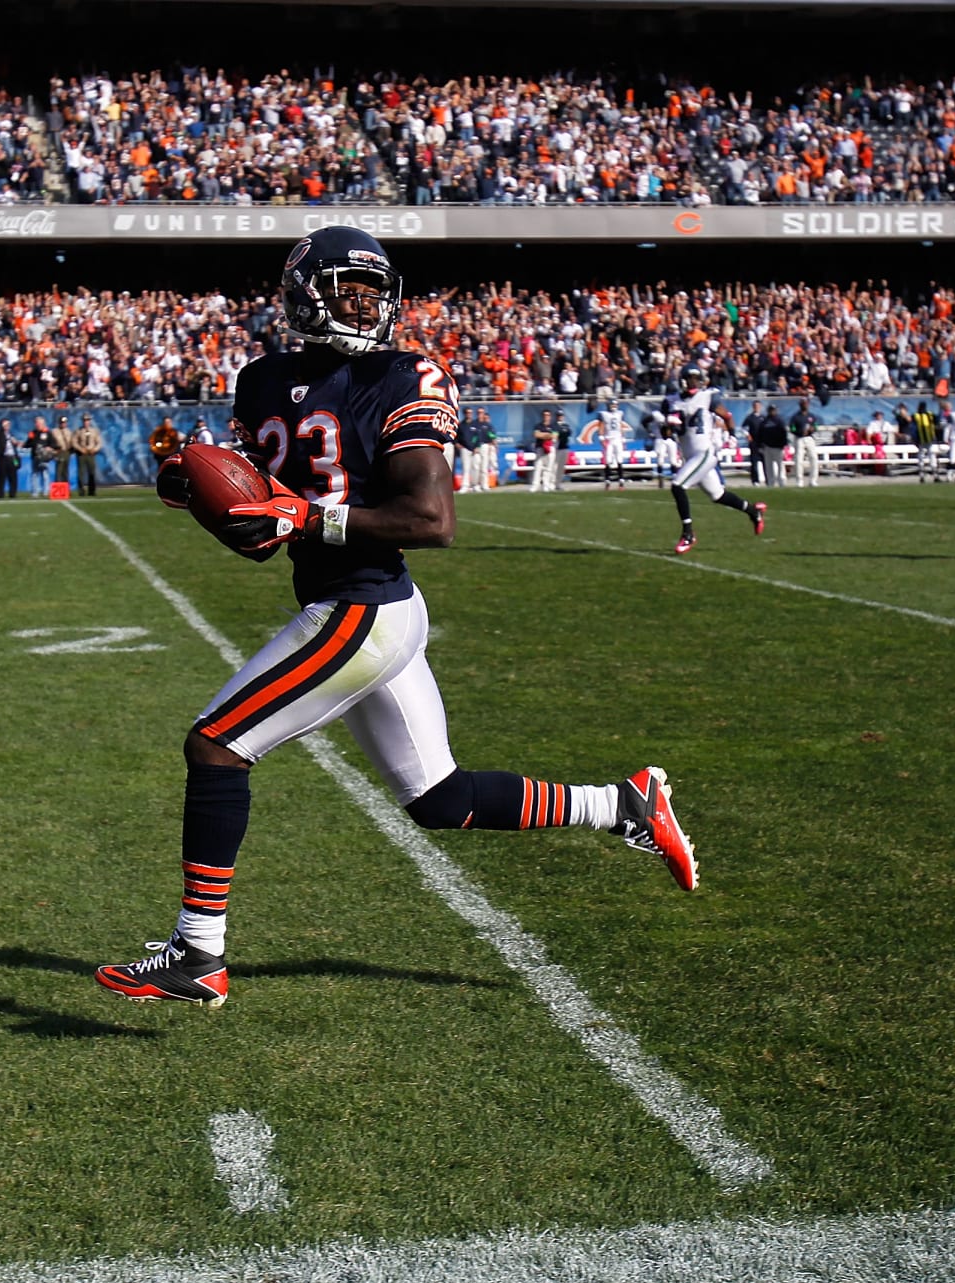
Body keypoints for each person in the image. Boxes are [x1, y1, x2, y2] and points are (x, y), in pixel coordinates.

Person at [96, 226, 696, 1007]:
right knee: (439, 799)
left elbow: (430, 519)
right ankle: (624, 803)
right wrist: (211, 498)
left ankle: (198, 951)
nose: (365, 303)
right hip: (350, 603)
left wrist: (303, 518)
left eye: (374, 290)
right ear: (305, 293)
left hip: (365, 606)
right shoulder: (261, 380)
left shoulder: (403, 375)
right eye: (349, 287)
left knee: (216, 746)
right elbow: (258, 537)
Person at [667, 364, 765, 555]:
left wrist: (732, 435)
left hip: (704, 453)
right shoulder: (674, 402)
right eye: (691, 379)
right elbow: (667, 432)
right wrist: (667, 425)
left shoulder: (707, 396)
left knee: (677, 486)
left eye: (696, 379)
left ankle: (688, 534)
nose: (694, 383)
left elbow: (727, 415)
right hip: (691, 455)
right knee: (718, 495)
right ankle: (754, 512)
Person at [595, 398, 631, 490]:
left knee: (619, 460)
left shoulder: (620, 413)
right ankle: (607, 481)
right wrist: (601, 438)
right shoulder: (604, 414)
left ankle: (621, 481)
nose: (614, 407)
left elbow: (621, 426)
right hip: (609, 439)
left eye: (615, 405)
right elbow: (601, 426)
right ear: (608, 405)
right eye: (612, 405)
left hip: (618, 439)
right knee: (608, 461)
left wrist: (623, 439)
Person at [753, 401, 790, 488]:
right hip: (767, 447)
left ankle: (782, 481)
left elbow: (783, 433)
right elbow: (760, 434)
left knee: (780, 465)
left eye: (774, 410)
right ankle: (770, 483)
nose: (772, 412)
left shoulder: (779, 421)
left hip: (777, 447)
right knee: (769, 467)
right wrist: (760, 445)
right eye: (771, 410)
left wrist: (783, 445)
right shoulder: (764, 422)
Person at [788, 398, 820, 487]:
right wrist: (800, 432)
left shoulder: (811, 416)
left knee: (813, 458)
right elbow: (792, 428)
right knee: (799, 460)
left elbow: (816, 426)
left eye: (806, 403)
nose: (805, 405)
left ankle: (813, 480)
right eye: (803, 403)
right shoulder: (795, 417)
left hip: (809, 438)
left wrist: (812, 429)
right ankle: (799, 480)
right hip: (799, 439)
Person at [71, 413, 102, 496]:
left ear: (90, 421)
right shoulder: (78, 431)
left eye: (87, 420)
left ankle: (92, 490)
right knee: (81, 473)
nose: (86, 422)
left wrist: (95, 449)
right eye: (84, 420)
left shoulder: (94, 431)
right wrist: (80, 449)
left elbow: (99, 442)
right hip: (82, 454)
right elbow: (74, 442)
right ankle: (81, 490)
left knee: (91, 472)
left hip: (91, 453)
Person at [529, 408, 560, 492]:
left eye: (548, 415)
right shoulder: (538, 426)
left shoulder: (554, 426)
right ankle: (535, 486)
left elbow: (554, 436)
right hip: (540, 447)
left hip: (550, 448)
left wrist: (544, 435)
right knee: (538, 467)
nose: (546, 417)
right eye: (545, 415)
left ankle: (546, 485)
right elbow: (536, 434)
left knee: (548, 468)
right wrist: (547, 435)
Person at [26, 416, 58, 498]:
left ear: (43, 423)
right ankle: (35, 492)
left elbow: (54, 444)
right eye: (37, 423)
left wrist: (49, 448)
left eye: (40, 423)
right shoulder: (33, 433)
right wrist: (29, 441)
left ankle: (45, 491)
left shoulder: (47, 432)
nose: (38, 425)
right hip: (35, 456)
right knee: (35, 474)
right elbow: (27, 444)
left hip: (45, 457)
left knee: (45, 474)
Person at [0, 417, 19, 499]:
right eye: (6, 424)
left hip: (13, 457)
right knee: (1, 477)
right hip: (3, 458)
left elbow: (15, 444)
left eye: (8, 424)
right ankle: (0, 494)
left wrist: (16, 443)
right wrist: (2, 427)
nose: (8, 426)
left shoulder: (11, 434)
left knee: (13, 477)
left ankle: (13, 493)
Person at [49, 414, 75, 490]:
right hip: (59, 452)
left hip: (67, 452)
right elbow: (52, 442)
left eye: (64, 422)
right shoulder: (54, 431)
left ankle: (66, 490)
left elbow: (71, 442)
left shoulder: (69, 431)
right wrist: (54, 451)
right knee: (59, 471)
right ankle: (58, 490)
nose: (63, 424)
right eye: (62, 423)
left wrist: (72, 449)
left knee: (66, 472)